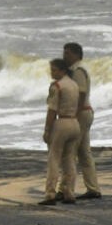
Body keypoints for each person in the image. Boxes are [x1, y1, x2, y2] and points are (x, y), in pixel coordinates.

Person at [59, 41, 102, 200]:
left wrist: (74, 115)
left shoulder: (78, 71)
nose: (64, 56)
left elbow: (81, 93)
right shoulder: (77, 70)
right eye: (64, 53)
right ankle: (93, 188)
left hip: (81, 114)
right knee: (84, 152)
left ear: (77, 55)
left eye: (68, 53)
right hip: (85, 113)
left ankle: (64, 189)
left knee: (69, 151)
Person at [39, 58, 80, 206]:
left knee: (54, 158)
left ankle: (50, 193)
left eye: (54, 70)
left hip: (62, 122)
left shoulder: (57, 86)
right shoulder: (74, 85)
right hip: (75, 123)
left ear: (62, 70)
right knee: (69, 159)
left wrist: (47, 129)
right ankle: (69, 192)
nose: (52, 72)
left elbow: (52, 110)